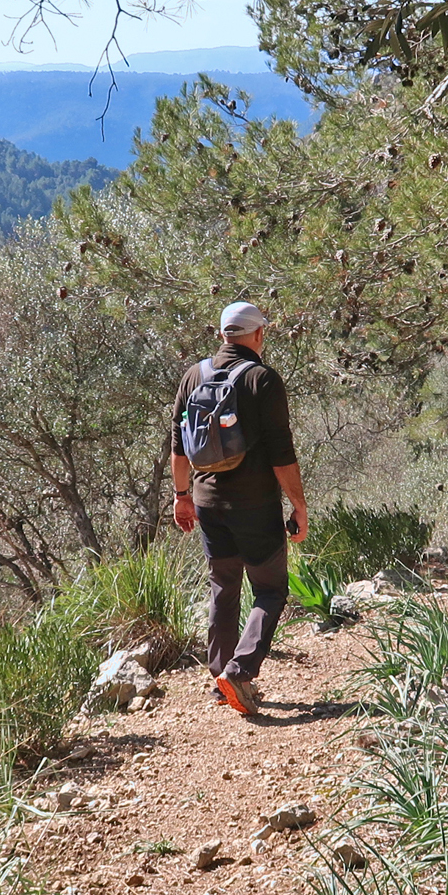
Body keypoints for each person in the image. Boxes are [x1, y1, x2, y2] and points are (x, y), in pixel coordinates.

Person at [169, 301, 309, 715]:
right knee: (269, 589)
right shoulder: (263, 379)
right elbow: (282, 453)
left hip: (208, 503)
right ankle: (240, 671)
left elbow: (178, 447)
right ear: (259, 335)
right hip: (255, 505)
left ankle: (219, 679)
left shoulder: (194, 375)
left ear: (222, 335)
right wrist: (298, 504)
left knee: (223, 587)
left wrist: (182, 497)